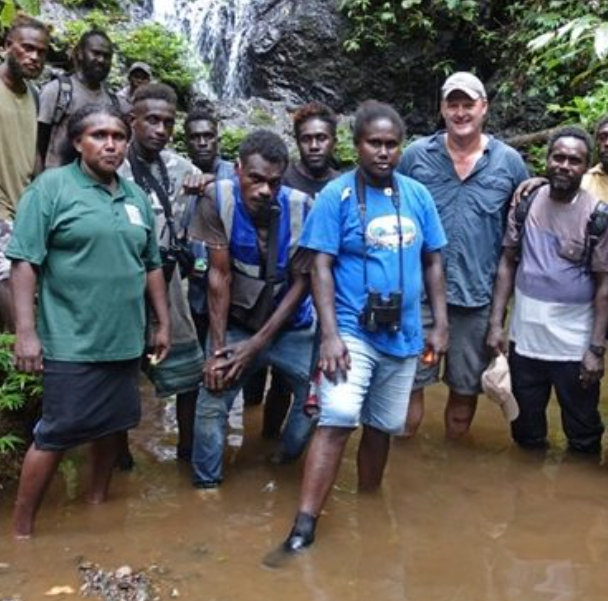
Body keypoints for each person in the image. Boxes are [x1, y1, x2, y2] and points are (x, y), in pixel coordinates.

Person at [279, 100, 448, 554]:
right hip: (352, 331)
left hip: (406, 334)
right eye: (374, 143)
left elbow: (433, 260)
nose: (384, 152)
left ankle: (371, 506)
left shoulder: (417, 195)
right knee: (336, 419)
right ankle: (304, 525)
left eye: (392, 144)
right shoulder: (336, 195)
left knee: (384, 426)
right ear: (356, 146)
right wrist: (330, 335)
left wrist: (441, 325)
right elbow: (320, 267)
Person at [8, 105, 170, 538]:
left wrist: (162, 323)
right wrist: (26, 333)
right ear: (78, 142)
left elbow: (151, 264)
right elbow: (24, 262)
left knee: (112, 427)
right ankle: (22, 531)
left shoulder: (134, 196)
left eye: (118, 135)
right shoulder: (52, 188)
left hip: (124, 339)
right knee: (56, 435)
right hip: (71, 340)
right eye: (99, 135)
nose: (111, 144)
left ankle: (97, 504)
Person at [398, 71, 528, 439]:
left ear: (483, 108)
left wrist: (499, 318)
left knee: (463, 393)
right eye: (452, 104)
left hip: (476, 299)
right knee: (409, 389)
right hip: (419, 296)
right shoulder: (415, 157)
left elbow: (519, 234)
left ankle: (450, 470)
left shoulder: (509, 163)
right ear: (441, 108)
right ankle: (403, 475)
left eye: (467, 104)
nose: (459, 112)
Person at [190, 130, 316, 487]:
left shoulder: (302, 208)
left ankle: (284, 461)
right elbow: (218, 277)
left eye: (274, 183)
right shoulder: (217, 199)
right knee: (212, 398)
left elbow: (301, 283)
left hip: (292, 326)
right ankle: (205, 488)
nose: (264, 191)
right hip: (238, 323)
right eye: (255, 179)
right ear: (237, 169)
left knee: (317, 400)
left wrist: (256, 346)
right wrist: (218, 351)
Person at [487, 126, 608, 454]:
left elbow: (605, 287)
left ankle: (580, 496)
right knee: (524, 427)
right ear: (546, 160)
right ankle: (524, 497)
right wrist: (495, 324)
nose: (564, 165)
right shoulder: (525, 203)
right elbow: (507, 263)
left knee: (583, 431)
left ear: (586, 167)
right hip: (525, 339)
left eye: (574, 160)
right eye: (558, 157)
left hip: (574, 344)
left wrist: (596, 350)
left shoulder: (599, 218)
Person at [246, 101, 342, 444]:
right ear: (297, 141)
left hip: (321, 299)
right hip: (271, 295)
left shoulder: (344, 185)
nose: (314, 145)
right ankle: (261, 438)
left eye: (321, 138)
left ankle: (285, 452)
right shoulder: (279, 178)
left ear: (335, 140)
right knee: (258, 385)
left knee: (300, 381)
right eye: (307, 139)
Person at [119, 83, 204, 464]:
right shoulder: (112, 161)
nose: (160, 129)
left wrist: (208, 182)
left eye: (168, 123)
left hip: (168, 283)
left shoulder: (183, 169)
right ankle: (119, 458)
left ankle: (187, 453)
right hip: (119, 283)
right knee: (118, 377)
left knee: (190, 372)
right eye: (152, 120)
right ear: (131, 120)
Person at [0, 16, 49, 331]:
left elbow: (34, 154)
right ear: (6, 46)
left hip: (22, 203)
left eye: (41, 52)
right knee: (10, 270)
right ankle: (25, 352)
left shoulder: (34, 96)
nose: (34, 57)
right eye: (27, 48)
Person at [37, 29, 127, 170]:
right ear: (79, 54)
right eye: (96, 53)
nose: (101, 60)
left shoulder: (113, 102)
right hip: (58, 180)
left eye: (107, 56)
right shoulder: (57, 91)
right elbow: (38, 142)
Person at [182, 108, 235, 347]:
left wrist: (212, 181)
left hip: (231, 283)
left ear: (217, 139)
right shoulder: (178, 174)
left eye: (208, 136)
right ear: (187, 141)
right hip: (193, 281)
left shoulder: (236, 174)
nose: (202, 143)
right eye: (195, 137)